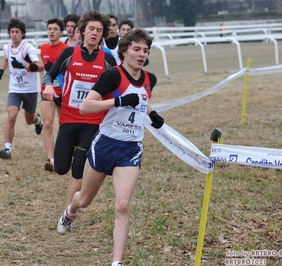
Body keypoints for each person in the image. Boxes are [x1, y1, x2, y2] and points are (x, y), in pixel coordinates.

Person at [56, 28, 164, 266]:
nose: (141, 54)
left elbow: (143, 100)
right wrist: (118, 101)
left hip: (130, 149)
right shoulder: (112, 76)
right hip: (105, 145)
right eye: (136, 49)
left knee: (123, 205)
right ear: (124, 51)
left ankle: (116, 262)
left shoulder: (150, 79)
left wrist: (153, 114)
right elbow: (86, 107)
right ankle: (70, 211)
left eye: (145, 50)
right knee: (84, 199)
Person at [43, 10, 117, 228]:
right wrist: (48, 85)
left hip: (93, 123)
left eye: (99, 30)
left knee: (78, 169)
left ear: (102, 35)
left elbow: (119, 83)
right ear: (82, 31)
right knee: (61, 168)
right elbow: (50, 73)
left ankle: (68, 216)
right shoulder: (69, 54)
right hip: (68, 119)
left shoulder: (107, 59)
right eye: (91, 29)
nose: (94, 33)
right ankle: (69, 208)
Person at [0, 18, 43, 160]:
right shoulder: (6, 48)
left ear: (22, 34)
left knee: (29, 120)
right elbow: (7, 59)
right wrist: (0, 71)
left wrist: (22, 66)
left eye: (17, 32)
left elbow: (39, 66)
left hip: (29, 89)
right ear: (9, 34)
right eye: (12, 32)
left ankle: (38, 120)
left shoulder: (28, 48)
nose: (14, 34)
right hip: (14, 89)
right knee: (11, 116)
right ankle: (7, 148)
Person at [39, 18, 68, 172]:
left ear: (61, 32)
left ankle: (63, 155)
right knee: (47, 124)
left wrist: (56, 70)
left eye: (55, 29)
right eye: (49, 28)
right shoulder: (43, 48)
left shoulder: (66, 49)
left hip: (63, 92)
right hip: (47, 90)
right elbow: (42, 68)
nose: (51, 31)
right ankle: (51, 159)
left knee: (64, 125)